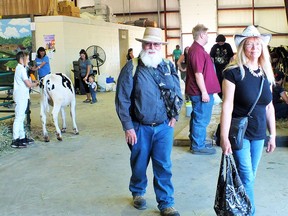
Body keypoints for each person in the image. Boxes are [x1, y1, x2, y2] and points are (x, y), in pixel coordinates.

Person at [115, 27, 182, 216]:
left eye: (156, 43)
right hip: (139, 128)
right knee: (139, 163)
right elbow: (122, 99)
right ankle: (137, 192)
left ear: (161, 46)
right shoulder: (132, 67)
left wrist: (175, 116)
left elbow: (177, 92)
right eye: (148, 43)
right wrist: (128, 127)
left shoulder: (168, 66)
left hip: (164, 128)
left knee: (164, 166)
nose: (151, 47)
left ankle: (166, 203)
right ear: (142, 45)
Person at [220, 25, 276, 215]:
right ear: (243, 47)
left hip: (259, 135)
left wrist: (273, 135)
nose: (254, 48)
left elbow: (269, 106)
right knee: (247, 176)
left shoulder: (266, 74)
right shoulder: (233, 73)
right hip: (240, 134)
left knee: (248, 177)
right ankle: (250, 213)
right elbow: (227, 106)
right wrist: (223, 136)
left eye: (257, 44)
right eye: (250, 44)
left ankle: (240, 209)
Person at [186, 24, 221, 155]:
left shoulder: (197, 49)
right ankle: (198, 146)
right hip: (200, 92)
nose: (207, 36)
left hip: (199, 91)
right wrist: (204, 92)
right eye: (206, 34)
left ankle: (197, 141)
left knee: (197, 117)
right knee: (201, 119)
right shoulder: (197, 51)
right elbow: (198, 73)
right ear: (201, 35)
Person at [11, 51, 39, 148]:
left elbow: (29, 75)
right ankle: (15, 140)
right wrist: (35, 84)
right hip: (20, 96)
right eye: (27, 58)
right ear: (22, 59)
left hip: (23, 95)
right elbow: (28, 84)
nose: (28, 60)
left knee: (21, 117)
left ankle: (22, 137)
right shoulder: (21, 69)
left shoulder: (22, 68)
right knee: (19, 117)